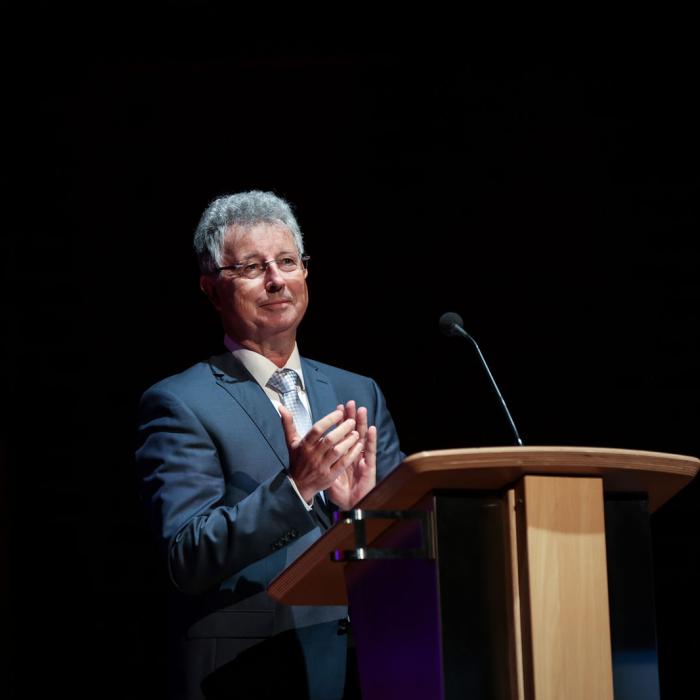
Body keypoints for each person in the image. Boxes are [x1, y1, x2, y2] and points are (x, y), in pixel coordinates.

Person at [136, 190, 404, 700]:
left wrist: (365, 513)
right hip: (253, 671)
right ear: (212, 290)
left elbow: (405, 541)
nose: (276, 279)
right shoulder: (178, 402)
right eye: (253, 267)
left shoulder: (357, 391)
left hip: (373, 662)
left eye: (287, 262)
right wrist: (296, 489)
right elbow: (187, 557)